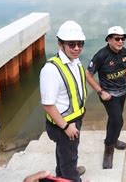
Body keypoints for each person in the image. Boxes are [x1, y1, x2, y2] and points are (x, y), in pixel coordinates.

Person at [39, 21, 88, 181]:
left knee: (66, 152)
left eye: (80, 44)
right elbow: (47, 104)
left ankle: (63, 173)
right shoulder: (51, 70)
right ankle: (71, 176)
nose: (76, 48)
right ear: (60, 44)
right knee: (69, 157)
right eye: (71, 44)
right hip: (63, 124)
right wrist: (66, 126)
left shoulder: (75, 61)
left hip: (74, 119)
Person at [85, 26, 126, 169]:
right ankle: (109, 150)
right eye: (117, 39)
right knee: (118, 121)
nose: (120, 42)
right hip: (108, 95)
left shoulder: (124, 52)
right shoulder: (101, 55)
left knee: (114, 119)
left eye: (123, 39)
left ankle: (113, 140)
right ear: (108, 39)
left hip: (122, 92)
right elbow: (88, 74)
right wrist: (100, 91)